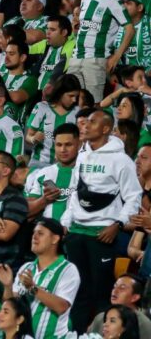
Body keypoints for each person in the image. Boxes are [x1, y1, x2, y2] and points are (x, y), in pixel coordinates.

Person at [62, 109, 143, 333]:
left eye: (92, 122)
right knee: (78, 292)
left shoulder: (121, 159)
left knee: (101, 294)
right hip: (77, 233)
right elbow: (75, 192)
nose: (85, 125)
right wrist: (66, 221)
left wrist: (117, 224)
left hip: (102, 235)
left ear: (106, 129)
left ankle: (102, 335)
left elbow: (133, 197)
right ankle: (77, 335)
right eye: (85, 122)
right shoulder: (83, 155)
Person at [0, 218, 79, 339]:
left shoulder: (68, 270)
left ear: (55, 239)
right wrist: (8, 286)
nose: (34, 236)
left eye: (40, 233)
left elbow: (61, 307)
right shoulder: (26, 268)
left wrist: (33, 288)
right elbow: (13, 306)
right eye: (34, 233)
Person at [69, 0, 133, 101]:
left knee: (92, 102)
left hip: (96, 59)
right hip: (76, 57)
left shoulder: (114, 2)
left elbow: (130, 29)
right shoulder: (85, 0)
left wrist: (116, 56)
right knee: (72, 102)